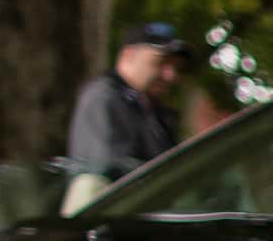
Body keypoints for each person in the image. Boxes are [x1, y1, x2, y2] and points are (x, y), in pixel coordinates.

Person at [66, 24, 195, 179]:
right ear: (128, 56)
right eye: (160, 62)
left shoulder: (152, 109)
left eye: (176, 67)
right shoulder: (104, 98)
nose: (171, 75)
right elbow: (107, 173)